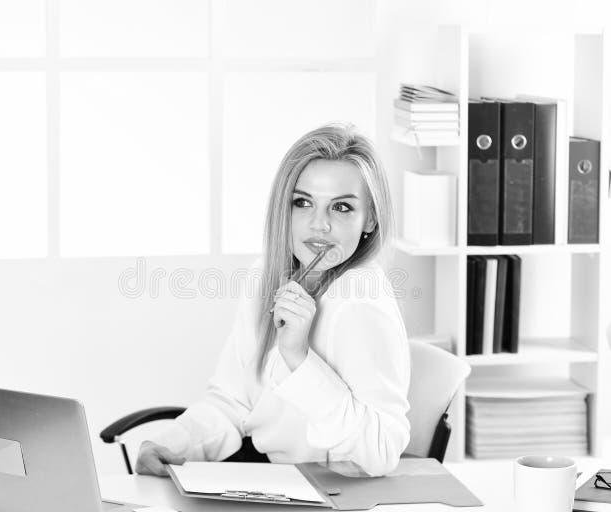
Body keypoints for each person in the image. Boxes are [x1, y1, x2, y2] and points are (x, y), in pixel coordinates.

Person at [137, 124, 411, 477]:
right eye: (303, 202)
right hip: (269, 476)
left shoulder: (360, 301)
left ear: (370, 218)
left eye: (341, 207)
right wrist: (172, 444)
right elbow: (232, 401)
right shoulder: (266, 274)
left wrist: (299, 357)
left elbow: (382, 452)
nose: (319, 225)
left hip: (327, 492)